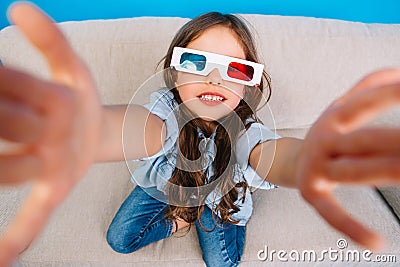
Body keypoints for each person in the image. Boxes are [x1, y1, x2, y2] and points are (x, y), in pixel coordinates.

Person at [1, 2, 400, 266]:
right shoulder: (163, 112)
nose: (214, 76)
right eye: (196, 61)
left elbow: (271, 153)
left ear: (248, 85)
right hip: (171, 187)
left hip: (221, 200)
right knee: (120, 238)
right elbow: (137, 130)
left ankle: (201, 211)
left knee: (221, 263)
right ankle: (182, 217)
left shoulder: (246, 130)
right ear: (175, 73)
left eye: (236, 69)